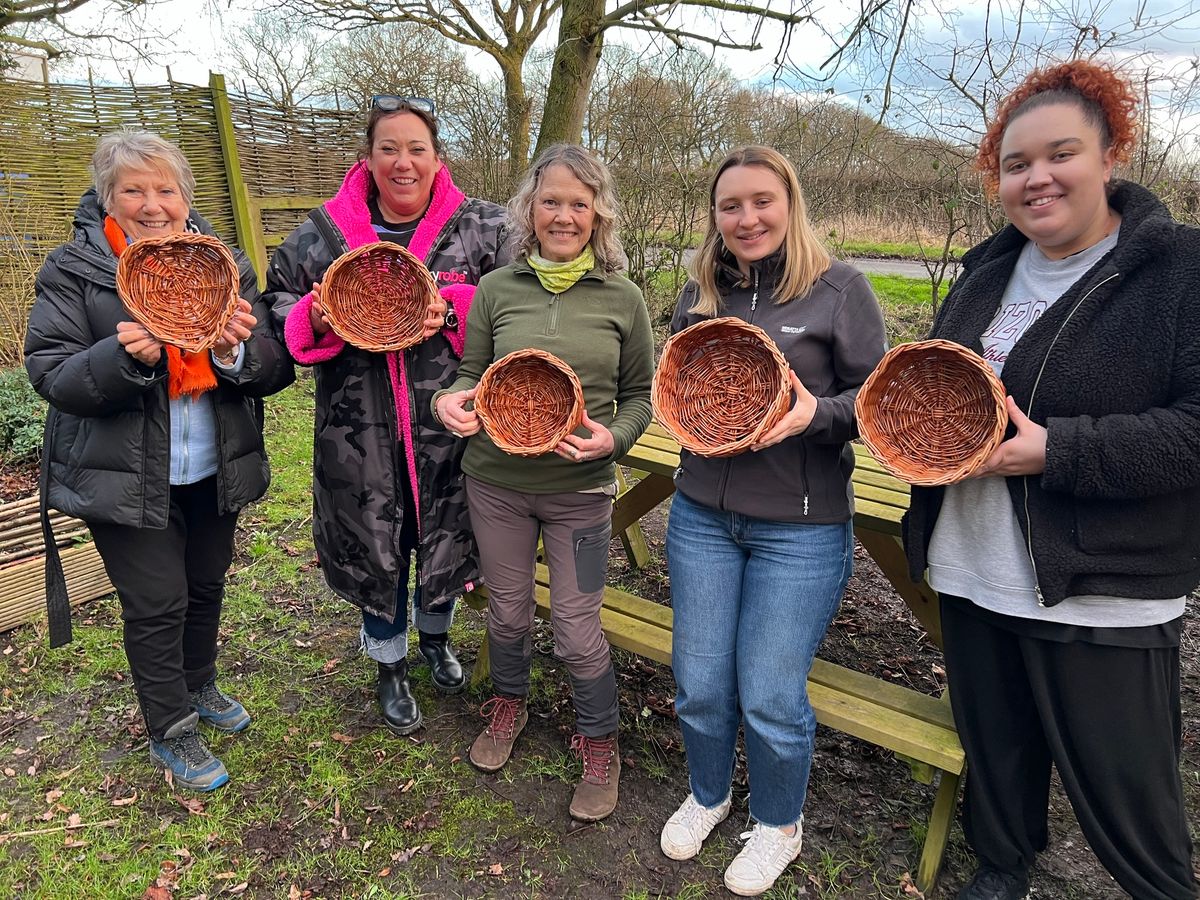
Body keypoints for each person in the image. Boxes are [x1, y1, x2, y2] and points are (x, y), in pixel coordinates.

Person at [902, 60, 1200, 900]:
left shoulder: (1178, 271)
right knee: (997, 745)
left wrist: (1059, 450)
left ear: (1111, 155)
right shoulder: (987, 273)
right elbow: (939, 395)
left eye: (1059, 153)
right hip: (972, 564)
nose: (1037, 178)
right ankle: (1004, 865)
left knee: (1125, 784)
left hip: (1100, 583)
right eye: (1015, 164)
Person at [24, 129, 294, 792]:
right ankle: (170, 730)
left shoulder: (223, 263)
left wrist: (235, 352)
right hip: (122, 476)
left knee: (205, 583)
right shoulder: (75, 269)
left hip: (212, 465)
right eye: (133, 190)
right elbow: (52, 374)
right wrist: (125, 358)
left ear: (185, 198)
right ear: (107, 200)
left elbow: (272, 365)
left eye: (164, 189)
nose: (152, 205)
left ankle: (198, 685)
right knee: (156, 601)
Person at [657, 146, 887, 896]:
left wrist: (810, 415)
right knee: (697, 680)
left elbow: (874, 403)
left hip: (801, 530)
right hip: (700, 518)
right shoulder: (700, 293)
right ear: (714, 216)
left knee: (769, 693)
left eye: (762, 201)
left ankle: (780, 824)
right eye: (731, 206)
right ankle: (710, 793)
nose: (747, 218)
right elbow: (680, 384)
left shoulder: (840, 289)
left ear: (789, 203)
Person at [265, 97, 509, 736]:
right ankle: (389, 664)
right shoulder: (324, 232)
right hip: (358, 426)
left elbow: (517, 303)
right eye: (388, 149)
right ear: (367, 159)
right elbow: (277, 297)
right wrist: (313, 317)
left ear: (438, 158)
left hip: (448, 424)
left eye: (416, 149)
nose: (403, 162)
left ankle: (435, 638)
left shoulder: (484, 227)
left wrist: (453, 309)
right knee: (374, 540)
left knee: (445, 530)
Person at [434, 144, 654, 822]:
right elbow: (472, 371)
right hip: (496, 484)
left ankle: (599, 741)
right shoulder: (500, 289)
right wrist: (450, 399)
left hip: (582, 494)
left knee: (577, 628)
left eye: (578, 204)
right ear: (530, 210)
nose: (563, 215)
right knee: (505, 609)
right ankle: (508, 705)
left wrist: (613, 439)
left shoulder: (624, 298)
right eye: (550, 201)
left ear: (598, 216)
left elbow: (641, 394)